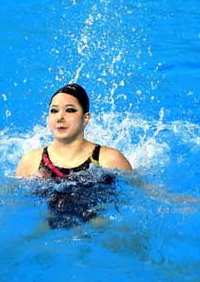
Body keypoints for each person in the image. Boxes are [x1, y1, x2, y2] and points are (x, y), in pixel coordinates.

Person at [16, 83, 131, 227]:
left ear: (86, 118)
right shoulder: (31, 161)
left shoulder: (109, 159)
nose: (60, 117)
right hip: (49, 225)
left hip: (98, 225)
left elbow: (138, 193)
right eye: (54, 111)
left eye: (70, 110)